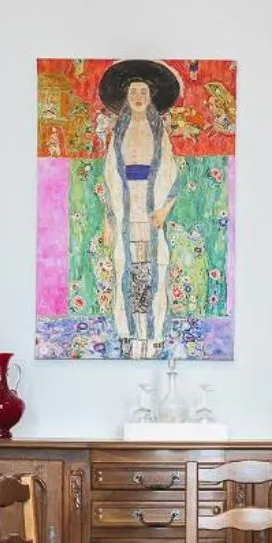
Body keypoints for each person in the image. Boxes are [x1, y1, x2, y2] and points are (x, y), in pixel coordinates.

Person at [95, 59, 184, 358]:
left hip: (151, 207)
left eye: (143, 92)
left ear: (150, 97)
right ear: (126, 96)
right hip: (125, 206)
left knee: (151, 268)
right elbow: (109, 176)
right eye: (133, 91)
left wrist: (163, 210)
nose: (137, 97)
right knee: (126, 269)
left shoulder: (159, 134)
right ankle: (128, 333)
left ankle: (153, 334)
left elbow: (172, 176)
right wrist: (109, 220)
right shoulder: (119, 132)